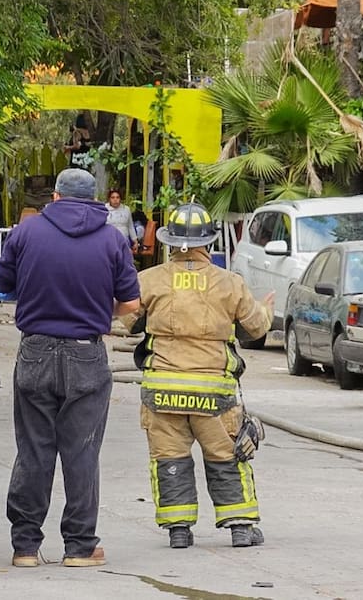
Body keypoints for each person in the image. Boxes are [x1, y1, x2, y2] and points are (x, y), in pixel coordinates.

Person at [0, 167, 141, 568]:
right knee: (82, 452)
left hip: (36, 351)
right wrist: (95, 311)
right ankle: (79, 547)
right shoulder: (113, 239)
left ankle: (24, 547)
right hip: (86, 355)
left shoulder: (25, 232)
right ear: (95, 201)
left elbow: (2, 287)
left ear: (54, 197)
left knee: (34, 451)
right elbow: (130, 305)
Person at [121, 202, 275, 550]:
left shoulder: (149, 280)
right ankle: (239, 525)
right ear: (209, 241)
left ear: (170, 242)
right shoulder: (230, 283)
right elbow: (255, 327)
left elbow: (129, 320)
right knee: (225, 455)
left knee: (170, 457)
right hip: (214, 395)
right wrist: (268, 308)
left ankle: (178, 530)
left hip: (162, 392)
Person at [105, 188, 138, 253]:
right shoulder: (104, 209)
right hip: (109, 239)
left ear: (120, 199)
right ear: (109, 199)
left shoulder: (126, 209)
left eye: (117, 197)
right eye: (113, 197)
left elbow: (130, 226)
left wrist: (135, 241)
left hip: (124, 239)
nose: (115, 200)